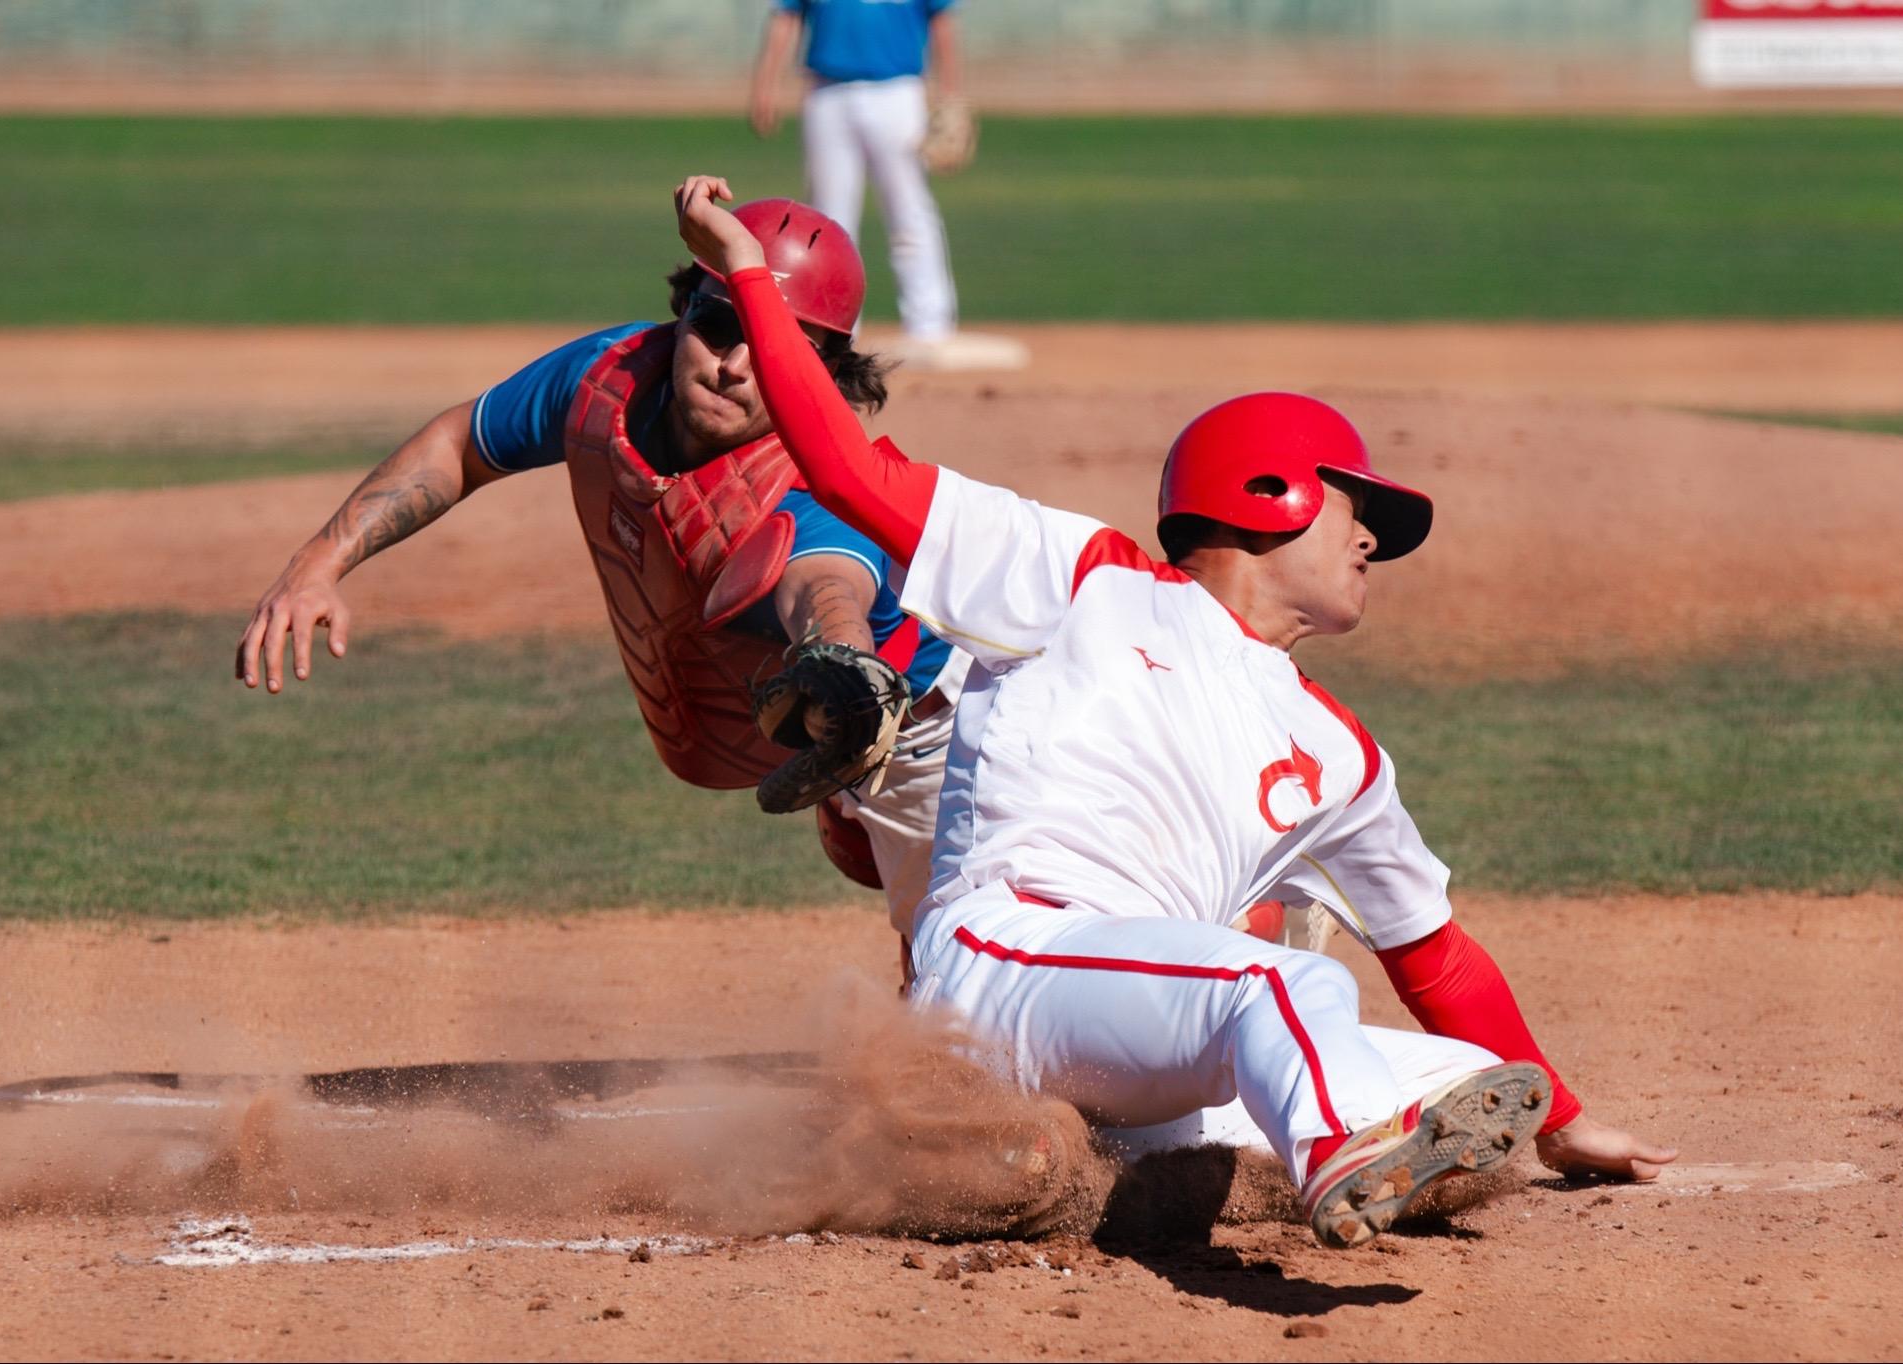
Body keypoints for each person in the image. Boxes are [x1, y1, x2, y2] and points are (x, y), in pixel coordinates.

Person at [675, 174, 1680, 1248]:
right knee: (1286, 987)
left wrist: (1562, 1123)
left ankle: (1057, 1164)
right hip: (1006, 970)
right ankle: (1319, 1153)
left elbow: (1434, 955)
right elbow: (845, 466)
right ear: (1270, 492)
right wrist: (748, 272)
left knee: (1466, 1083)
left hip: (1140, 1031)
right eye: (1356, 510)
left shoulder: (1340, 752)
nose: (1369, 543)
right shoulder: (1080, 578)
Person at [233, 198, 964, 929]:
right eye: (718, 326)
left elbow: (827, 591)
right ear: (682, 310)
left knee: (959, 971)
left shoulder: (818, 487)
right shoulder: (611, 379)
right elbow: (462, 445)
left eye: (778, 349)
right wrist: (317, 563)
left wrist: (841, 672)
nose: (734, 366)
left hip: (930, 733)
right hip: (818, 731)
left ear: (823, 372)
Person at [748, 0, 1026, 372]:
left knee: (908, 209)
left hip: (897, 92)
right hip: (826, 92)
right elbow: (786, 15)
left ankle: (929, 325)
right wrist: (765, 84)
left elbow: (942, 20)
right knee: (827, 220)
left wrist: (951, 94)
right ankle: (831, 329)